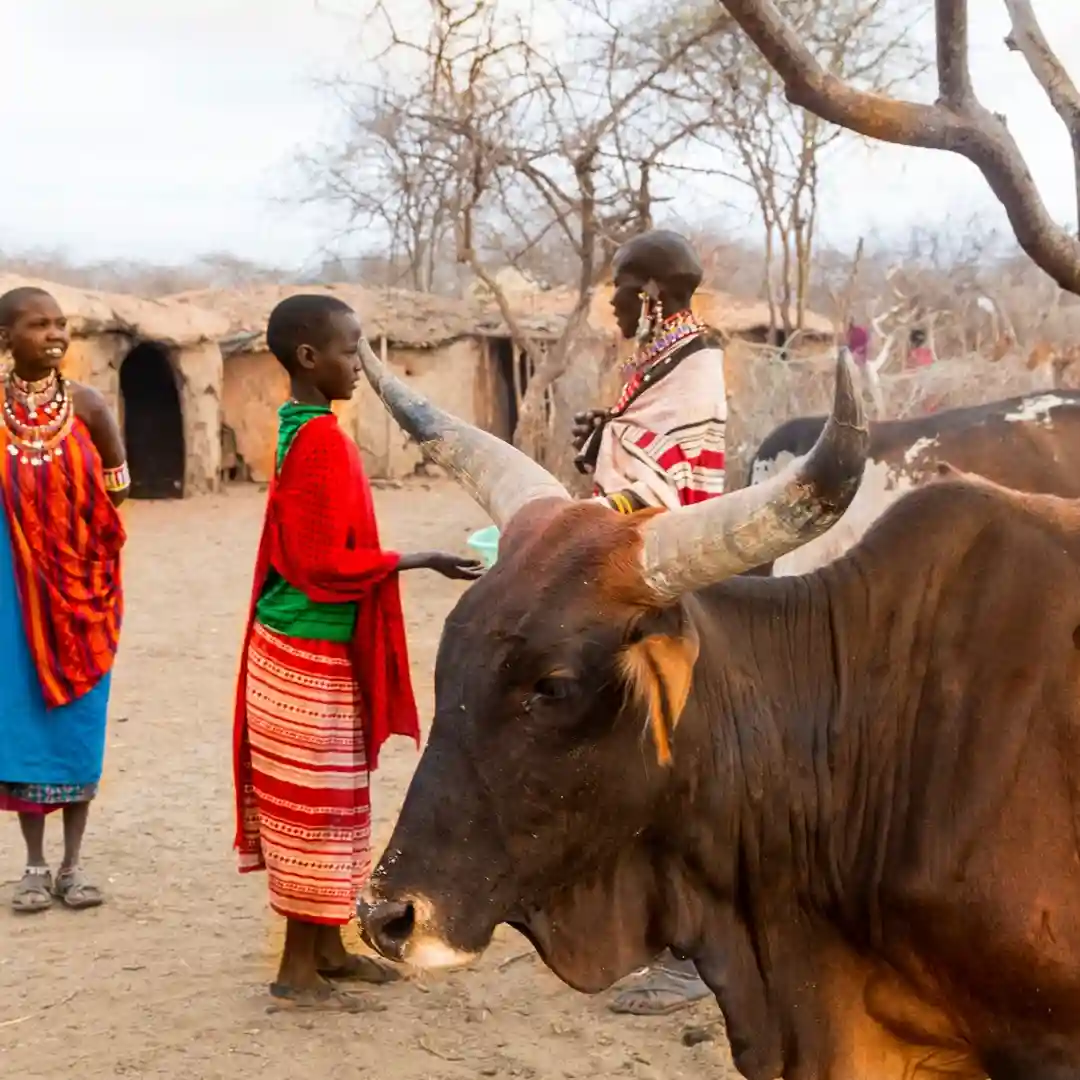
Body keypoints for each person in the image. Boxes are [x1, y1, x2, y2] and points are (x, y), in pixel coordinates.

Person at [233, 294, 483, 1011]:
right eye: (350, 351)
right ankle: (296, 970)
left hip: (304, 649)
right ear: (308, 357)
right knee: (315, 815)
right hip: (303, 656)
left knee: (331, 809)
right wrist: (415, 557)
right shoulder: (318, 442)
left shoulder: (303, 429)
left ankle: (328, 951)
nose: (360, 366)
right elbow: (315, 562)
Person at [572, 230, 724, 1015]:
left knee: (668, 763)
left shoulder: (694, 365)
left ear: (658, 290)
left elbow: (674, 491)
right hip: (626, 577)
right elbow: (637, 464)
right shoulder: (660, 362)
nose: (615, 298)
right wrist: (598, 452)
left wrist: (592, 513)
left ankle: (692, 950)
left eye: (625, 285)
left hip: (665, 591)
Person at [0, 286, 129, 913]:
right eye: (36, 324)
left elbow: (119, 486)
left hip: (83, 591)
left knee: (78, 720)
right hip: (13, 592)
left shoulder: (89, 406)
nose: (53, 334)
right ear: (6, 338)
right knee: (22, 720)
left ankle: (74, 866)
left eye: (59, 324)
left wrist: (65, 523)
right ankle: (31, 864)